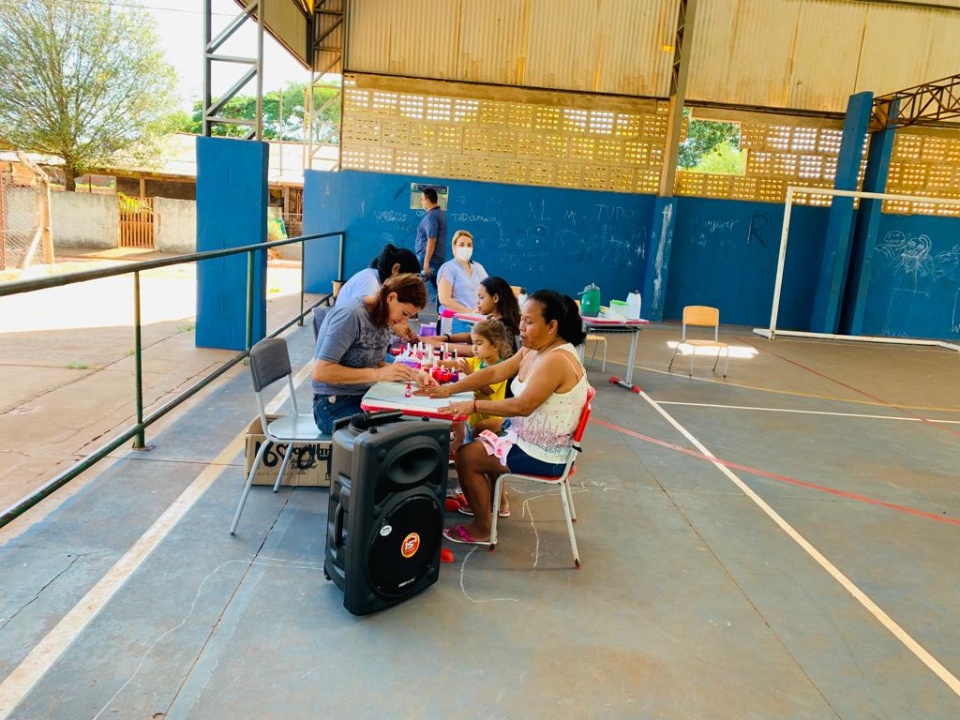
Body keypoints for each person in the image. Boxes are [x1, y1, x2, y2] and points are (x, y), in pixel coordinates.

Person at [420, 290, 590, 545]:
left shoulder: (557, 360)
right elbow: (493, 373)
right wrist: (449, 389)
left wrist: (473, 405)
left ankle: (482, 528)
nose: (521, 327)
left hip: (545, 453)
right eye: (522, 319)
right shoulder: (535, 349)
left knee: (467, 457)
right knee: (481, 431)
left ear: (552, 326)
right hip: (526, 436)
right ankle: (496, 502)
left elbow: (523, 406)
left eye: (529, 322)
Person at [312, 274, 436, 434]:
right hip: (333, 404)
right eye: (404, 314)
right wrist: (378, 374)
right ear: (391, 297)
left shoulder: (384, 316)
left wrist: (413, 375)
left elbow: (377, 363)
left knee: (414, 425)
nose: (404, 322)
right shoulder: (350, 315)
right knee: (388, 438)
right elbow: (321, 372)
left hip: (365, 396)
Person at [440, 317, 514, 460]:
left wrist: (471, 375)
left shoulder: (500, 368)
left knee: (478, 454)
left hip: (489, 422)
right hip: (473, 418)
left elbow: (488, 390)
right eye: (473, 343)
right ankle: (459, 445)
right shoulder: (478, 361)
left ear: (495, 345)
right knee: (466, 441)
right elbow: (457, 363)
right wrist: (435, 363)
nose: (474, 348)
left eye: (479, 343)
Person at [426, 275, 520, 355]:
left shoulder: (502, 326)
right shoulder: (496, 319)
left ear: (495, 298)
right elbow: (472, 335)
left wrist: (437, 344)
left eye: (481, 297)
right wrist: (445, 338)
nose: (477, 302)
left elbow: (472, 350)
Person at [436, 229, 489, 335]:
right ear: (453, 248)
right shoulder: (448, 268)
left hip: (478, 321)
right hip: (455, 321)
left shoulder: (479, 268)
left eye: (469, 245)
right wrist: (469, 312)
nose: (466, 248)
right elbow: (444, 299)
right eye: (461, 244)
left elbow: (490, 291)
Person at [336, 243, 420, 305]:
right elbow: (364, 322)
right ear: (395, 269)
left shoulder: (378, 282)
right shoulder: (370, 282)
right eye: (405, 282)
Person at [415, 188, 447, 301]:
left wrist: (426, 262)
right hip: (437, 259)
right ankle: (442, 316)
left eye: (422, 199)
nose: (422, 201)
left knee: (413, 285)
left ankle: (412, 314)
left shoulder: (431, 217)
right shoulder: (440, 214)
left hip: (428, 259)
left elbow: (431, 239)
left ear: (428, 200)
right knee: (440, 289)